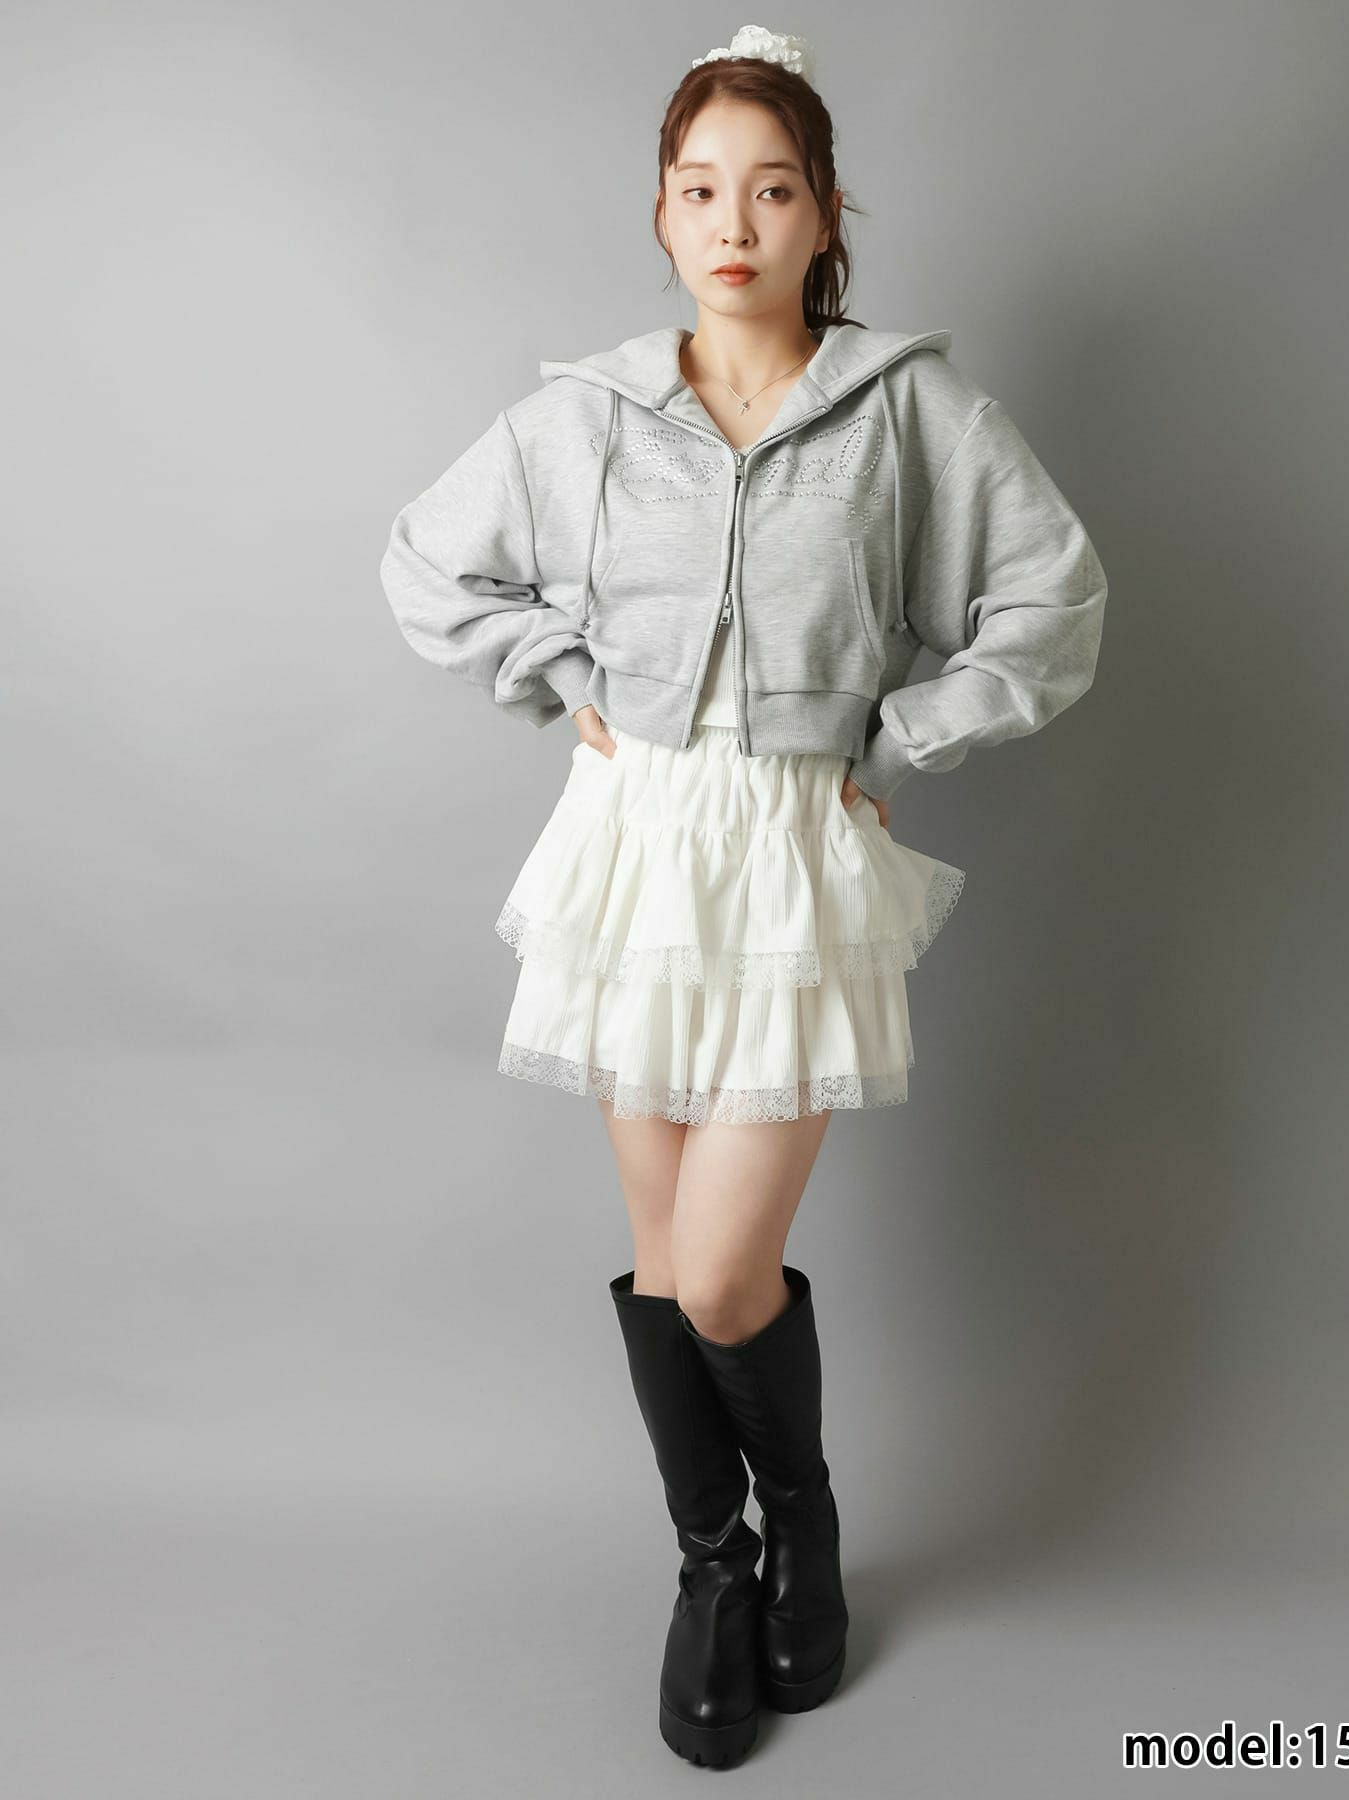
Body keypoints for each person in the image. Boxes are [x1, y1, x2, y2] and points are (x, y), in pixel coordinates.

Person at [380, 23, 1108, 1769]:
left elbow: (1054, 601)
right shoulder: (590, 415)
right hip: (634, 851)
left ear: (824, 213)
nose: (733, 222)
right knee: (663, 1259)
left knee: (720, 1274)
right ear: (660, 211)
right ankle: (720, 1572)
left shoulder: (906, 411)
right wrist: (562, 669)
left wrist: (905, 728)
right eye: (700, 189)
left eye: (770, 190)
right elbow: (427, 560)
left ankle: (808, 1521)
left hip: (792, 852)